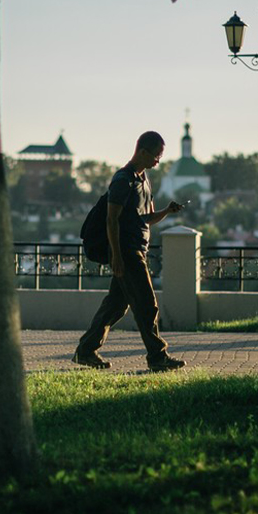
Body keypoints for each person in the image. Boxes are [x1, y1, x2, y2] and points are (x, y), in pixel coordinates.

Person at [73, 131, 187, 372]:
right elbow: (111, 219)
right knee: (147, 304)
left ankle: (86, 351)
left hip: (138, 249)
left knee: (116, 305)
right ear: (142, 151)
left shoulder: (143, 180)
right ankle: (157, 356)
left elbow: (145, 218)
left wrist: (166, 211)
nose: (158, 160)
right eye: (156, 155)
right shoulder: (123, 180)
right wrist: (116, 255)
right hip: (126, 251)